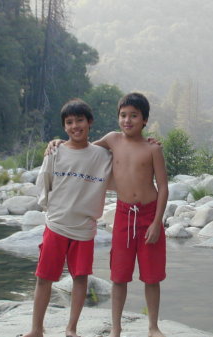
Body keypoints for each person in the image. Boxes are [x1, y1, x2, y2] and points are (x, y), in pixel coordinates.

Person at [47, 92, 168, 337]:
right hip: (123, 215)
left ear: (144, 120)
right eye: (123, 115)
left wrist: (157, 222)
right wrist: (57, 142)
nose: (128, 120)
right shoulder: (112, 140)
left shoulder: (152, 148)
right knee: (119, 275)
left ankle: (153, 326)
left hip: (148, 215)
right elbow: (83, 147)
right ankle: (116, 328)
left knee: (152, 276)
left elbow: (163, 187)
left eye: (134, 116)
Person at [22, 98, 113, 337]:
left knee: (80, 278)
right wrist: (48, 209)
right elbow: (44, 183)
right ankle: (36, 329)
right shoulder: (55, 152)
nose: (75, 126)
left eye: (80, 120)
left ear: (90, 122)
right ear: (64, 127)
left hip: (84, 228)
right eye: (69, 122)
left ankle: (71, 328)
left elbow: (124, 146)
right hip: (56, 225)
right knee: (44, 278)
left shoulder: (102, 156)